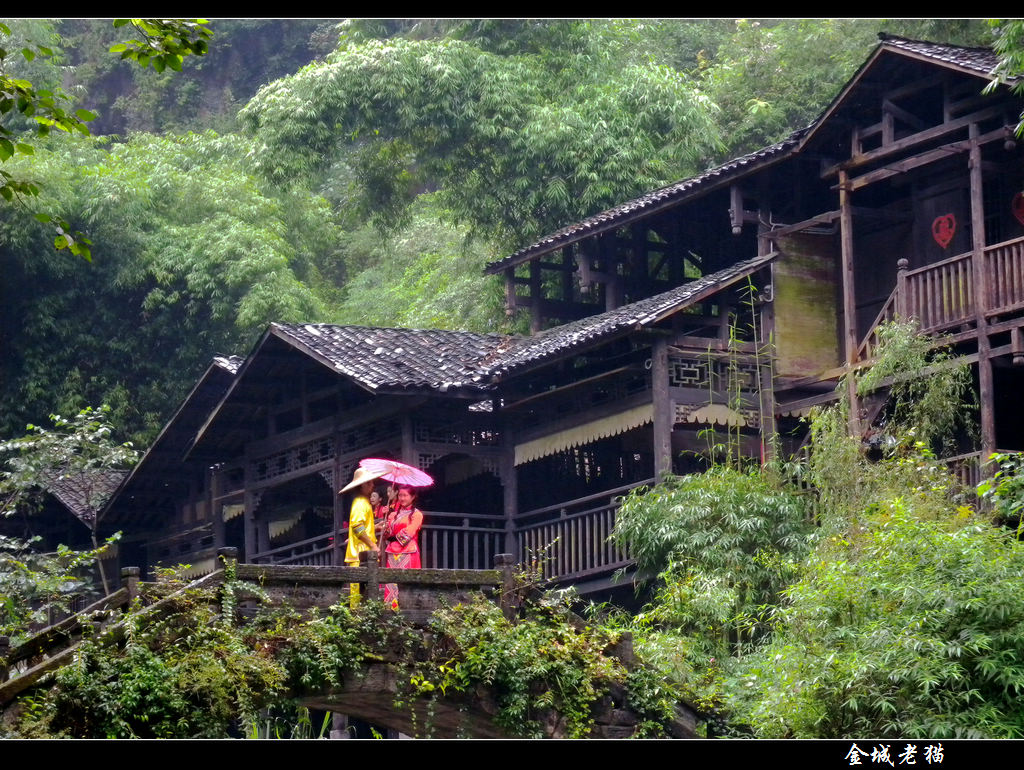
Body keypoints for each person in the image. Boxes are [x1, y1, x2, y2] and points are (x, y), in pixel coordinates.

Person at [338, 467, 381, 608]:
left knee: (363, 592)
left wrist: (376, 527)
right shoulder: (361, 503)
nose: (372, 485)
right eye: (370, 483)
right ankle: (357, 619)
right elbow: (357, 527)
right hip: (360, 553)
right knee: (358, 593)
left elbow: (361, 526)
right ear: (363, 485)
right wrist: (373, 545)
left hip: (361, 553)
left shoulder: (362, 502)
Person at [380, 485, 423, 610]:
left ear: (413, 497)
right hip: (392, 551)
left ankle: (409, 609)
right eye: (400, 495)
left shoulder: (417, 514)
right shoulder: (392, 515)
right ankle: (390, 609)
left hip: (408, 551)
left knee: (407, 581)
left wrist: (393, 536)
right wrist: (386, 527)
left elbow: (410, 532)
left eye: (405, 495)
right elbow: (387, 534)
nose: (402, 498)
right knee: (391, 581)